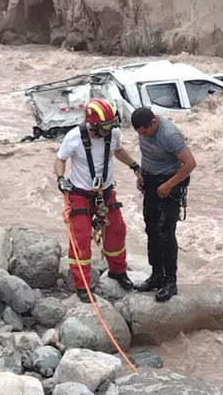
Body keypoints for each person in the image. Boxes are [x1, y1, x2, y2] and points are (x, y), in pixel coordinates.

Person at [54, 98, 140, 302]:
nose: (110, 131)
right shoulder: (74, 137)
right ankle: (82, 285)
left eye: (112, 126)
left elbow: (118, 150)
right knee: (81, 238)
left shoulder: (113, 134)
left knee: (117, 229)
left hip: (105, 191)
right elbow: (60, 159)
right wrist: (60, 179)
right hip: (80, 194)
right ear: (92, 125)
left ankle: (118, 271)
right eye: (106, 127)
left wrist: (135, 167)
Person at [130, 107, 197, 302]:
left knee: (165, 233)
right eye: (139, 133)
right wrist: (141, 174)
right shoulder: (144, 131)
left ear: (154, 123)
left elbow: (190, 163)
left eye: (145, 131)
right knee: (151, 229)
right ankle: (156, 275)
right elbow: (147, 154)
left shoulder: (170, 134)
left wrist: (168, 185)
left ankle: (170, 282)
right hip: (150, 182)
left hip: (170, 184)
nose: (142, 135)